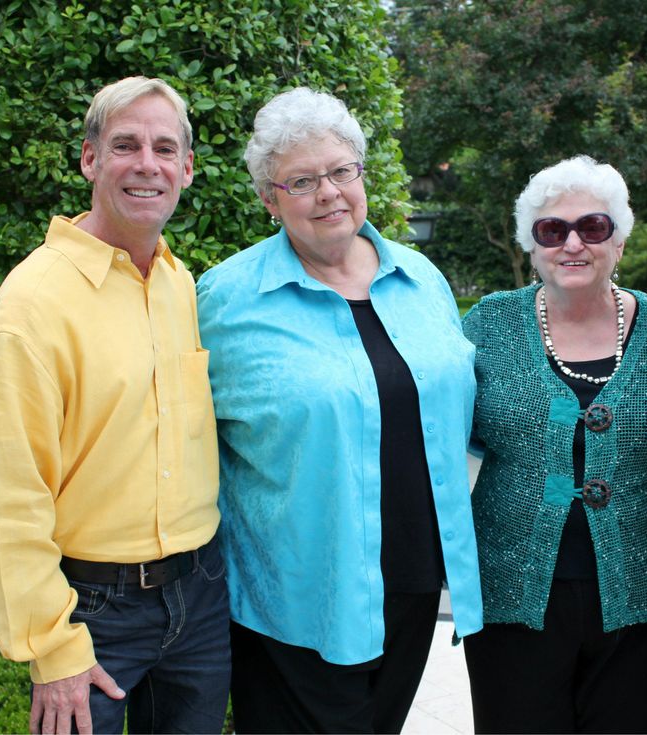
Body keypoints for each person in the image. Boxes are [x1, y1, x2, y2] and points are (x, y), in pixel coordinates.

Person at [195, 86, 482, 734]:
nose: (327, 192)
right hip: (295, 600)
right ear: (270, 199)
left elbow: (454, 405)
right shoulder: (227, 300)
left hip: (411, 585)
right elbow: (183, 444)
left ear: (361, 174)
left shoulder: (421, 278)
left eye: (339, 171)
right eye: (301, 180)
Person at [0, 77, 230, 735]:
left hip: (199, 595)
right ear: (90, 159)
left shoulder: (175, 281)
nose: (148, 164)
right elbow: (10, 496)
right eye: (125, 145)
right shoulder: (31, 307)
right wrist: (51, 645)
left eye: (165, 148)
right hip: (92, 609)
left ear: (187, 170)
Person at [461, 155, 647, 734]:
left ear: (619, 242)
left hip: (641, 599)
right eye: (552, 230)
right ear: (532, 247)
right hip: (513, 597)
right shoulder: (488, 325)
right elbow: (442, 437)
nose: (572, 243)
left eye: (593, 227)